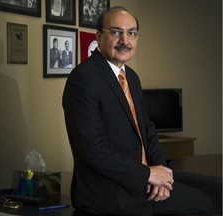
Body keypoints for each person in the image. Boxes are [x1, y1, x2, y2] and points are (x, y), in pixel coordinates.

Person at [62, 6, 215, 215]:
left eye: (132, 33)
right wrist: (147, 175)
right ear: (98, 36)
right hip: (109, 192)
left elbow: (148, 129)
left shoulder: (131, 77)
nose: (125, 40)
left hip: (143, 182)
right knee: (204, 204)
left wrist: (160, 174)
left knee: (211, 196)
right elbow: (92, 149)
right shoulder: (83, 78)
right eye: (116, 32)